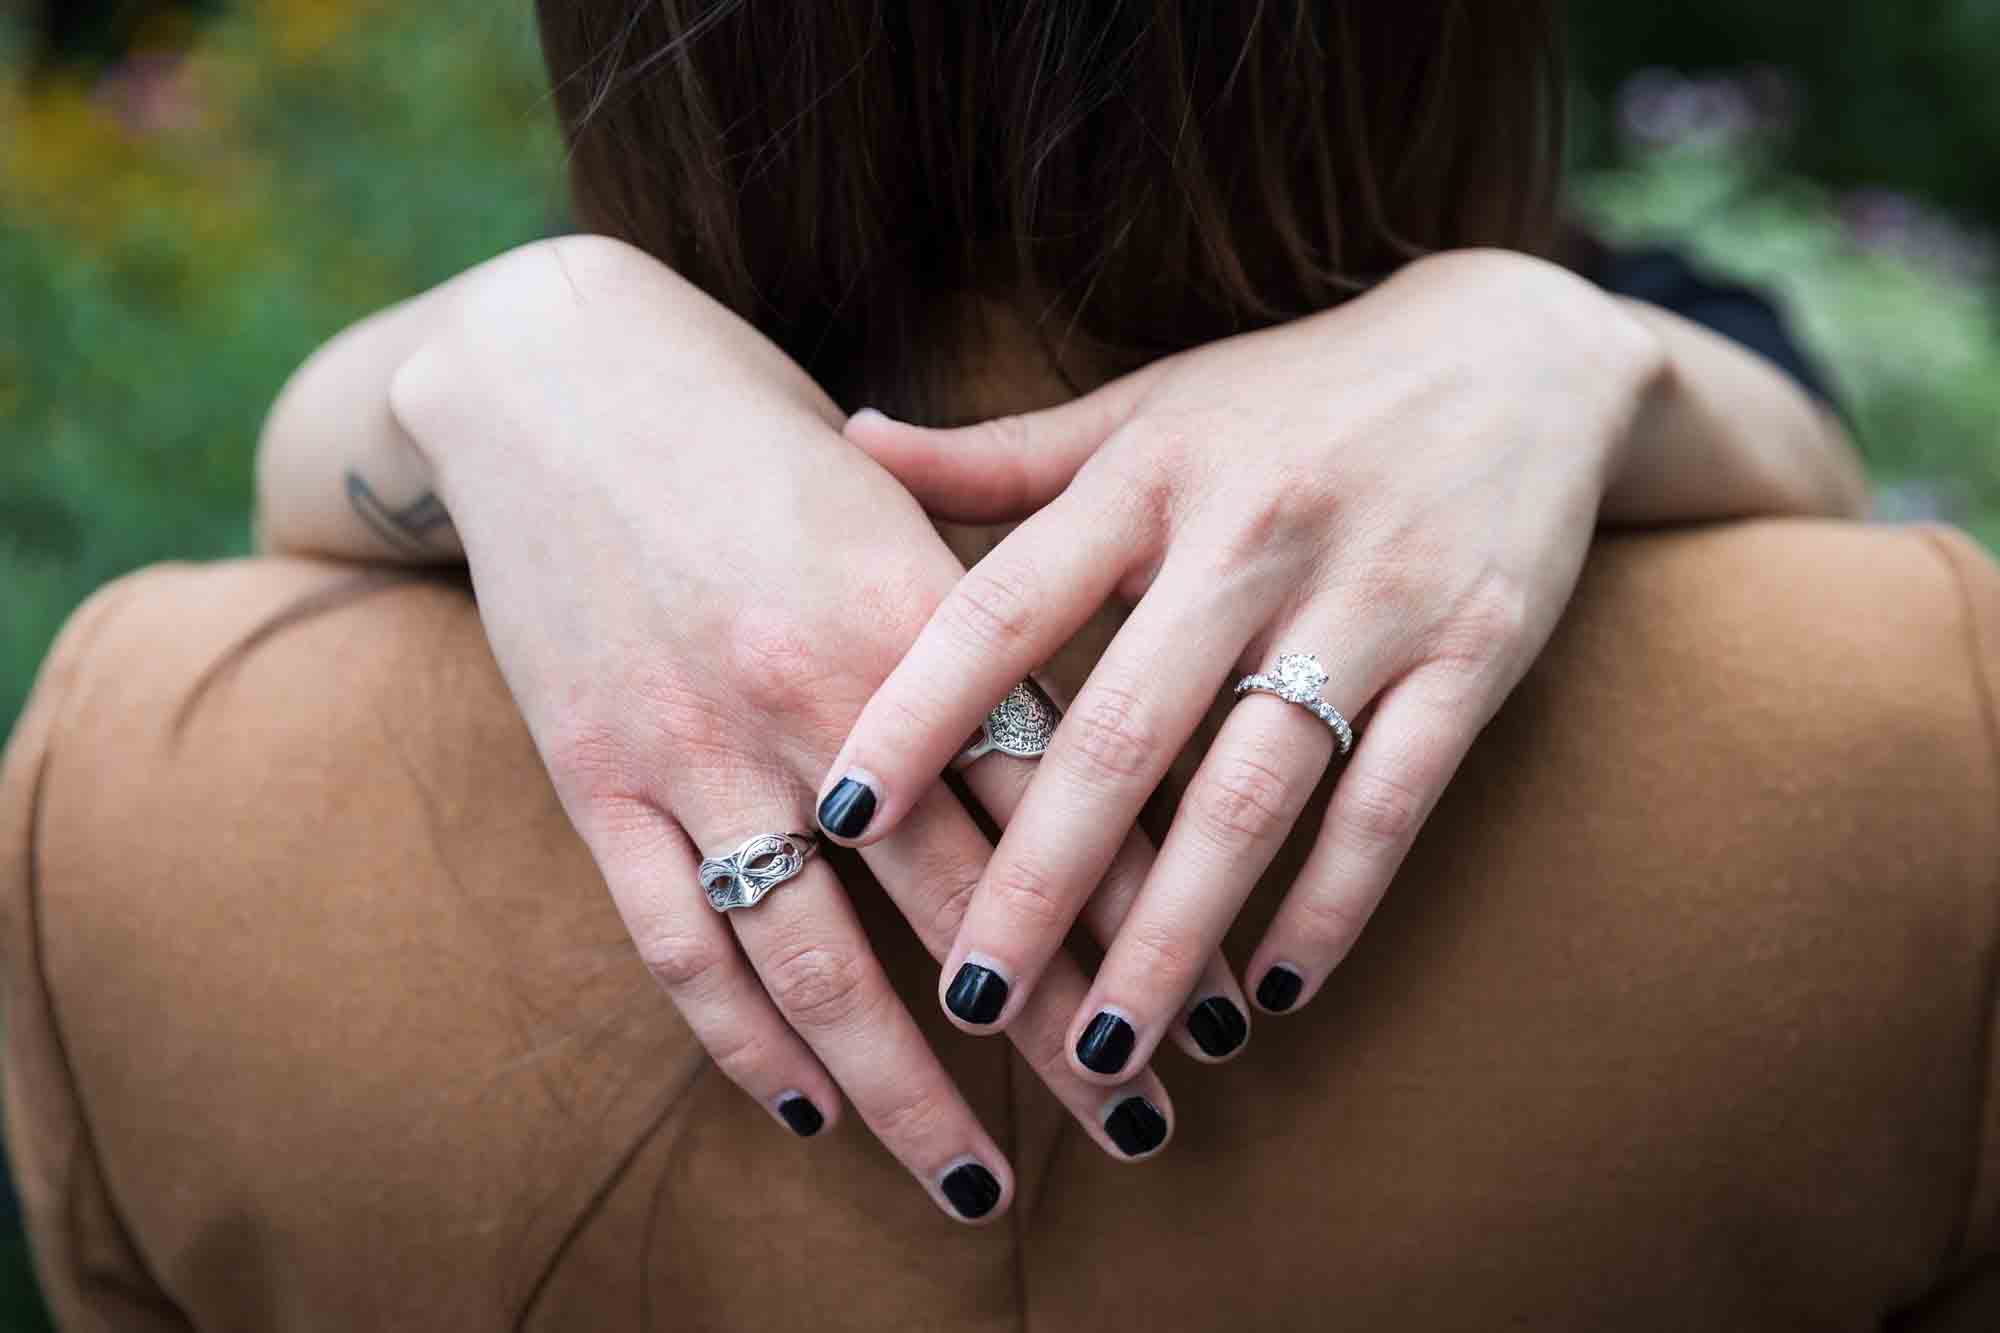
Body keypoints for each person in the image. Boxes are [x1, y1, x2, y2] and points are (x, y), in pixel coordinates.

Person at [4, 4, 1996, 1328]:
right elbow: (1810, 483)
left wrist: (489, 349)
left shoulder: (128, 770)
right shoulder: (1919, 727)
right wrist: (1563, 337)